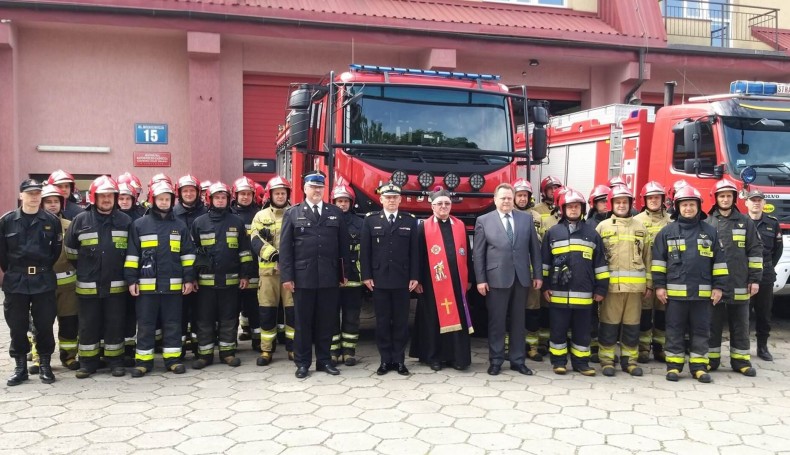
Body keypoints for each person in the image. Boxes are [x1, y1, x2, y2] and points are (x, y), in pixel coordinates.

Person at [652, 185, 727, 383]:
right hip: (675, 295)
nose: (688, 209)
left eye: (691, 205)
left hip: (702, 295)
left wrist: (718, 287)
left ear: (698, 207)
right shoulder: (667, 232)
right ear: (677, 207)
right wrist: (659, 286)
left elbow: (719, 262)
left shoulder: (710, 232)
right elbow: (658, 263)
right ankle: (674, 367)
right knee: (674, 329)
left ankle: (699, 367)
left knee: (701, 331)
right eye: (684, 205)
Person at [279, 172, 350, 378]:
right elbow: (285, 249)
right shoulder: (293, 213)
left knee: (326, 321)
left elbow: (343, 247)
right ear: (305, 188)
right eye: (313, 187)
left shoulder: (335, 212)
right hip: (303, 278)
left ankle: (324, 361)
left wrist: (344, 274)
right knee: (303, 322)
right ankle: (302, 363)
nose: (317, 190)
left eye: (320, 187)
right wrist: (287, 277)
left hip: (329, 276)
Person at [124, 180, 196, 377]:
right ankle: (143, 362)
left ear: (172, 201)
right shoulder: (139, 225)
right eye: (160, 199)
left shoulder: (179, 226)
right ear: (152, 200)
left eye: (167, 199)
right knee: (146, 325)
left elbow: (188, 256)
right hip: (146, 288)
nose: (164, 202)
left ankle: (172, 360)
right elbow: (132, 255)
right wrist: (131, 280)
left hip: (173, 287)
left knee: (173, 323)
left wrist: (189, 279)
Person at [65, 176, 132, 378]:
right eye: (102, 195)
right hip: (88, 285)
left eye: (110, 196)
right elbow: (70, 251)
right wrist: (88, 269)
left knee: (115, 324)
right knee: (88, 325)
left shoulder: (125, 221)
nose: (106, 199)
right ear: (94, 197)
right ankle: (87, 363)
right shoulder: (80, 220)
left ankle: (115, 361)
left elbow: (131, 251)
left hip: (116, 286)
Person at [473, 183, 542, 376]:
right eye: (502, 198)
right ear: (495, 200)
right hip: (495, 279)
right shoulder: (483, 220)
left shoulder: (525, 219)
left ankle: (517, 360)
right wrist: (480, 279)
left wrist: (537, 274)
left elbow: (534, 250)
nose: (506, 201)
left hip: (521, 278)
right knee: (497, 321)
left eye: (509, 198)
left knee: (519, 321)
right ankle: (496, 360)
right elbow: (478, 254)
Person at [1, 179, 62, 385]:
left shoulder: (51, 221)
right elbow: (2, 255)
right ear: (21, 196)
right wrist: (15, 271)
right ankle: (20, 368)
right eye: (30, 193)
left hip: (43, 279)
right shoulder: (7, 221)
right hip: (16, 280)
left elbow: (55, 251)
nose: (34, 197)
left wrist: (40, 270)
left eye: (37, 193)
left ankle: (45, 365)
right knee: (17, 325)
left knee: (44, 324)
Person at [541, 188, 608, 376]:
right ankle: (559, 362)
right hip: (558, 294)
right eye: (569, 206)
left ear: (582, 208)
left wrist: (601, 288)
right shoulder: (553, 232)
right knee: (558, 330)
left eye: (576, 206)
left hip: (585, 294)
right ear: (563, 209)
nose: (573, 210)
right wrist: (545, 286)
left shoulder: (592, 233)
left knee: (583, 331)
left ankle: (581, 363)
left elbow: (600, 264)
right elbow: (545, 262)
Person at [191, 182, 254, 369]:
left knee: (229, 318)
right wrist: (192, 277)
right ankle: (205, 355)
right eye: (217, 197)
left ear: (228, 199)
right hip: (205, 284)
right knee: (204, 319)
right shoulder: (199, 223)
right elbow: (192, 253)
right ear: (210, 200)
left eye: (223, 197)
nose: (220, 200)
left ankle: (227, 353)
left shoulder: (236, 222)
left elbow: (244, 251)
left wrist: (245, 275)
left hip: (231, 282)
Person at [410, 188, 473, 370]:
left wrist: (469, 278)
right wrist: (418, 280)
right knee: (433, 320)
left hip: (456, 281)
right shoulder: (423, 227)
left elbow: (467, 253)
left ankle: (457, 357)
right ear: (432, 206)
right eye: (440, 204)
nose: (443, 206)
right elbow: (417, 256)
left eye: (447, 203)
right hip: (432, 284)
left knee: (458, 319)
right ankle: (434, 357)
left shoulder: (460, 225)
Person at [360, 182, 419, 376]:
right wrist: (366, 275)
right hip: (379, 280)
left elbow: (415, 253)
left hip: (403, 280)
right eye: (388, 197)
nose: (392, 200)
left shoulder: (410, 221)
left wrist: (414, 276)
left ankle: (399, 360)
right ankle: (385, 360)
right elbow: (365, 252)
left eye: (395, 197)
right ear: (381, 199)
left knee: (401, 322)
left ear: (400, 199)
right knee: (383, 322)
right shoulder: (370, 220)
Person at [705, 180, 763, 376]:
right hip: (715, 285)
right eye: (722, 196)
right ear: (715, 198)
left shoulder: (745, 222)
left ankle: (741, 361)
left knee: (741, 324)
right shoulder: (707, 223)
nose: (725, 199)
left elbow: (755, 251)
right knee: (712, 324)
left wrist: (755, 279)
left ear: (734, 198)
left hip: (740, 283)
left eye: (729, 196)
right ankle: (711, 360)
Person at [595, 185, 650, 377]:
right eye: (617, 202)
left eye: (624, 202)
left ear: (630, 204)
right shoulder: (603, 227)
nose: (621, 205)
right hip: (611, 288)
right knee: (609, 325)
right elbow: (597, 258)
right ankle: (607, 360)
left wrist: (648, 284)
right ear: (611, 204)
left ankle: (630, 361)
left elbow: (647, 258)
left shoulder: (640, 227)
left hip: (635, 290)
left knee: (632, 325)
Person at [250, 176, 295, 366]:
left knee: (293, 313)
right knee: (267, 312)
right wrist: (275, 257)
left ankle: (294, 349)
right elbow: (255, 239)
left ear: (287, 195)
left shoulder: (295, 213)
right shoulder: (261, 217)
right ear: (270, 195)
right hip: (268, 275)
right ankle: (266, 350)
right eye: (276, 193)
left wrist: (287, 262)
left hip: (291, 274)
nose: (280, 196)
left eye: (283, 193)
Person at [39, 185, 80, 373]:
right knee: (41, 323)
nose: (53, 205)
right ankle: (40, 357)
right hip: (42, 284)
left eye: (56, 201)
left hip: (68, 285)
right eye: (48, 202)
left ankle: (69, 357)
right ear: (42, 204)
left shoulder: (70, 226)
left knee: (69, 323)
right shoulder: (34, 226)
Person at [633, 181, 672, 363]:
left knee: (663, 314)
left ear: (663, 199)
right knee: (645, 314)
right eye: (650, 198)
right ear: (645, 200)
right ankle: (642, 349)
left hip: (667, 276)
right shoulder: (637, 221)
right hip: (645, 275)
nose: (654, 201)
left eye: (657, 197)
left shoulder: (671, 221)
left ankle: (660, 348)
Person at [745, 189, 782, 361]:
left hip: (765, 275)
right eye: (753, 200)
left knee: (764, 313)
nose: (756, 203)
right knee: (743, 313)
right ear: (746, 203)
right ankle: (741, 347)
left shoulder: (773, 223)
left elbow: (777, 250)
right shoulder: (740, 222)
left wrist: (766, 267)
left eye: (759, 200)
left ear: (764, 204)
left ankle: (762, 347)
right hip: (744, 275)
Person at [330, 182, 364, 366]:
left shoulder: (361, 223)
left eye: (345, 201)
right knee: (331, 315)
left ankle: (349, 351)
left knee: (352, 316)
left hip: (354, 279)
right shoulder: (326, 221)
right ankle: (334, 350)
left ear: (352, 203)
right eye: (339, 201)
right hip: (331, 279)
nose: (342, 204)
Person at [174, 174, 206, 358]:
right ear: (179, 193)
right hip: (179, 271)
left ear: (198, 192)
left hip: (202, 272)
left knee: (199, 312)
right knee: (179, 312)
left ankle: (198, 346)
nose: (188, 193)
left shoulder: (205, 214)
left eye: (192, 190)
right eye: (185, 190)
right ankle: (178, 346)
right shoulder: (171, 214)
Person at [513, 178, 543, 362]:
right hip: (515, 272)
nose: (522, 199)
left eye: (525, 195)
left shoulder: (537, 217)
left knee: (532, 310)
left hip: (532, 272)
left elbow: (541, 245)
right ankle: (511, 345)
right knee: (513, 310)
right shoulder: (508, 215)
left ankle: (532, 346)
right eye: (519, 195)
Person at [231, 176, 262, 352]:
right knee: (233, 308)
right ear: (236, 195)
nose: (245, 197)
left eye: (248, 194)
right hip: (235, 269)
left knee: (255, 308)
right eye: (242, 194)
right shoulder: (229, 215)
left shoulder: (259, 214)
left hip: (256, 269)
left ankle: (257, 339)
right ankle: (231, 341)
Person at [116, 180, 143, 366]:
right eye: (121, 198)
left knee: (132, 314)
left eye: (128, 198)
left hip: (137, 272)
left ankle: (129, 347)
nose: (124, 201)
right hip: (114, 272)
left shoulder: (141, 217)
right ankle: (111, 349)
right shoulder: (112, 216)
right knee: (115, 313)